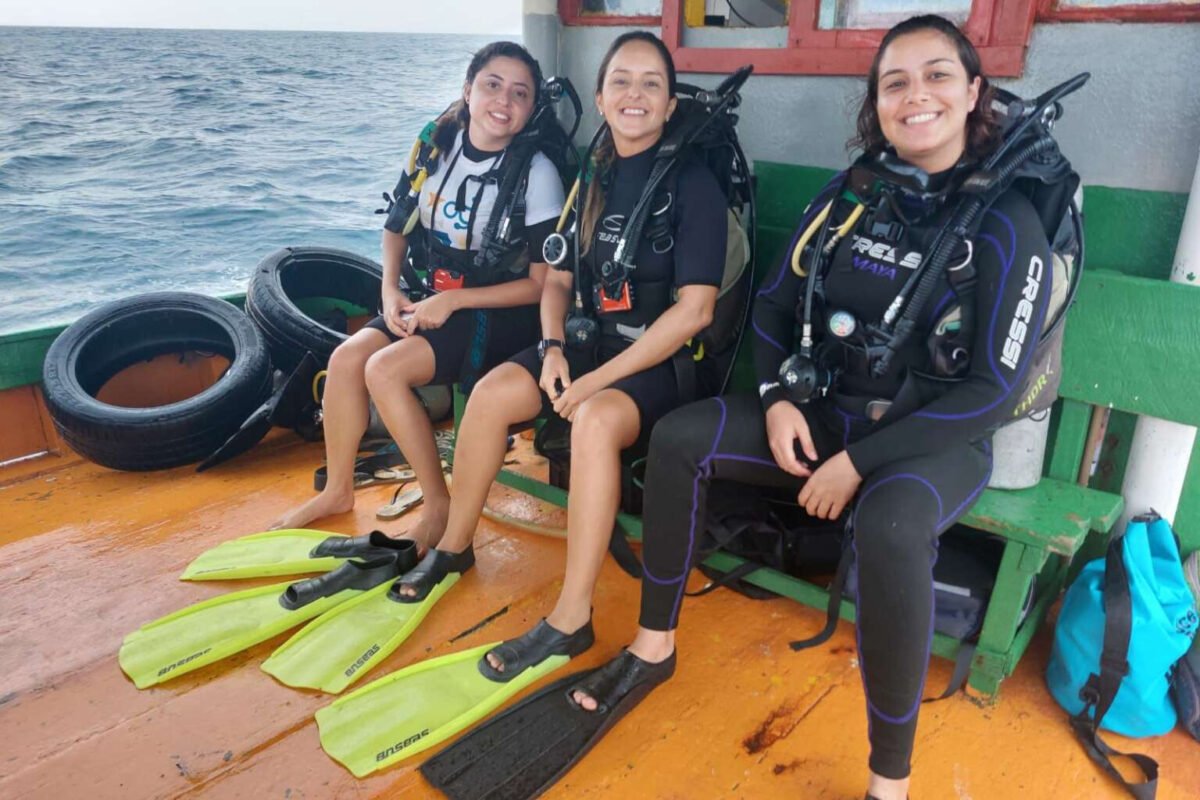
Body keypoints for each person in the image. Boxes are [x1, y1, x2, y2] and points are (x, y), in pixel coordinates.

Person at [623, 16, 1054, 800]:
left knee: (890, 529)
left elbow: (990, 391)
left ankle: (890, 779)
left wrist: (857, 464)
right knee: (680, 437)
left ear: (974, 94)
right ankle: (653, 645)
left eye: (936, 77)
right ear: (876, 103)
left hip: (931, 440)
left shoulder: (1006, 225)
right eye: (895, 82)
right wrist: (777, 396)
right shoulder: (854, 196)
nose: (914, 95)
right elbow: (771, 308)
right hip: (822, 412)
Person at [397, 30, 729, 679]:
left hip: (657, 366)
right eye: (622, 81)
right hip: (582, 349)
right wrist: (551, 350)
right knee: (493, 395)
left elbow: (696, 311)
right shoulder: (592, 179)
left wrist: (593, 381)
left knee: (596, 418)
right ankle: (456, 547)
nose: (635, 94)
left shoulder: (694, 187)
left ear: (668, 105)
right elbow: (558, 282)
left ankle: (571, 619)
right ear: (602, 97)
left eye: (651, 83)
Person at [270, 41, 565, 544]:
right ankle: (337, 489)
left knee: (384, 369)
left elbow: (540, 284)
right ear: (468, 90)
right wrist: (389, 291)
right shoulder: (435, 147)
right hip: (429, 298)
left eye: (520, 93)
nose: (504, 101)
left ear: (531, 108)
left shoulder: (537, 173)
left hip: (499, 311)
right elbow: (396, 226)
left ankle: (439, 503)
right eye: (493, 85)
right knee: (346, 359)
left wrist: (453, 301)